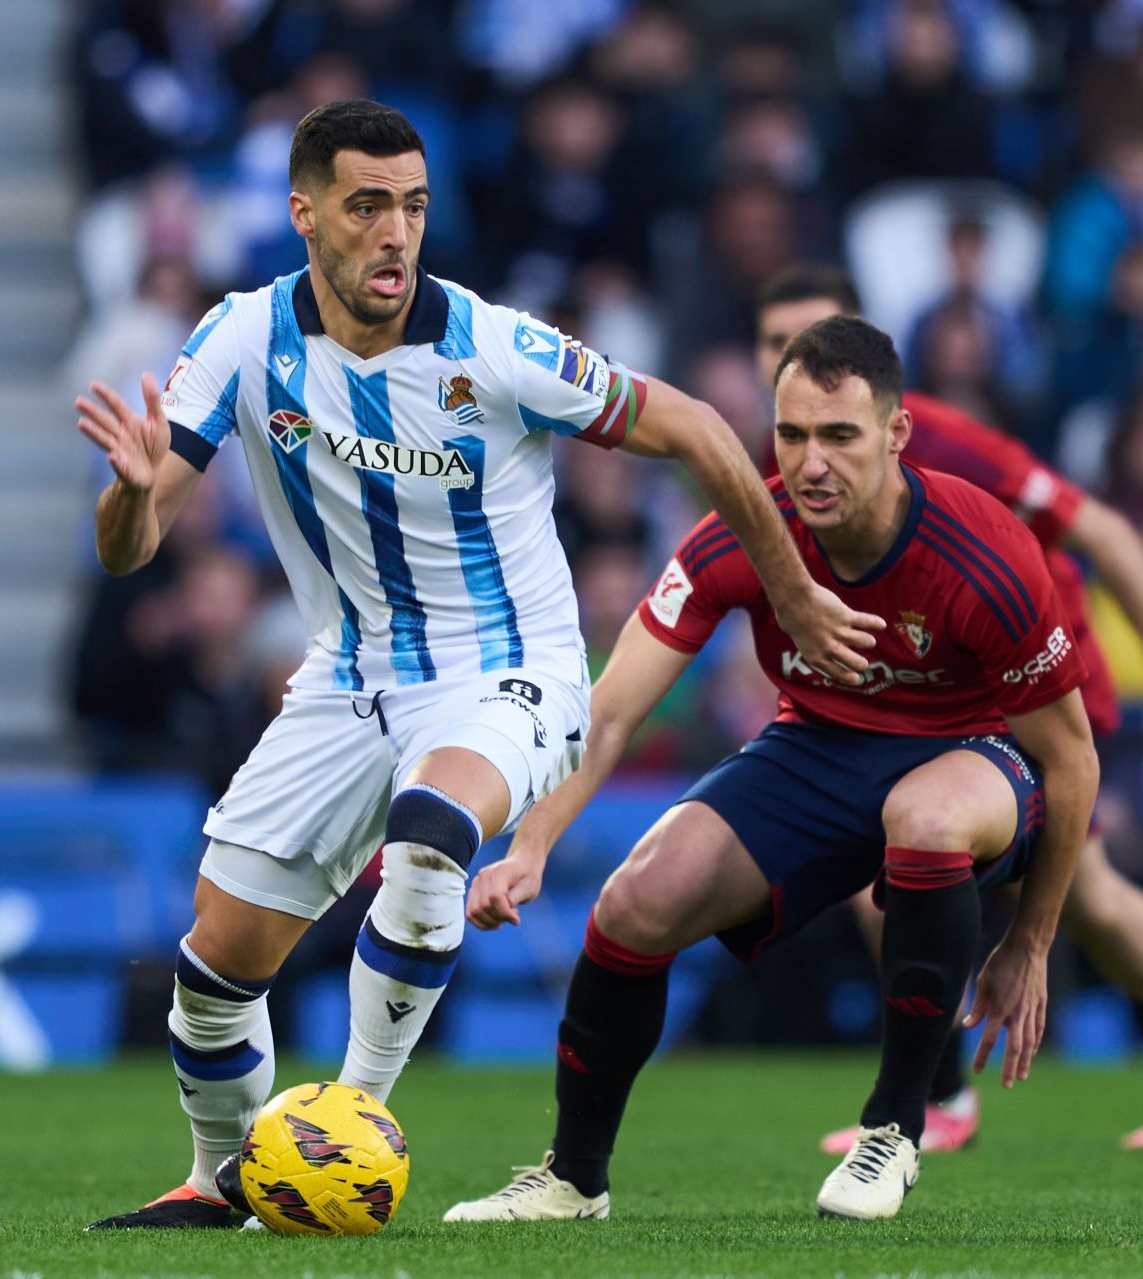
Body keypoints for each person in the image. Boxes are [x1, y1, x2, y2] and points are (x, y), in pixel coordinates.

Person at [76, 99, 880, 1231]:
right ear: (304, 215)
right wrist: (123, 490)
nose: (396, 234)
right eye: (366, 208)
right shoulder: (242, 339)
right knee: (212, 975)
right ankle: (220, 1177)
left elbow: (697, 426)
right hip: (349, 674)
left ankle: (343, 1132)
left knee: (428, 839)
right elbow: (133, 546)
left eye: (412, 206)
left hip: (510, 667)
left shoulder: (493, 347)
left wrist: (793, 589)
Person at [445, 315, 1101, 1223]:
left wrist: (1028, 941)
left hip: (972, 757)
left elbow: (1070, 758)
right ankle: (573, 1177)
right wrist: (534, 841)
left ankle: (894, 1129)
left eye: (840, 435)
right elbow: (611, 710)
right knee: (635, 903)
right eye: (792, 435)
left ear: (896, 435)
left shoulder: (981, 554)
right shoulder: (743, 535)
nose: (811, 462)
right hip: (816, 751)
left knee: (927, 817)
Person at [748, 267, 1143, 1152]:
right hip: (933, 693)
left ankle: (941, 1099)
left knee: (897, 864)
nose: (791, 357)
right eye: (773, 343)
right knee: (1083, 889)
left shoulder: (948, 442)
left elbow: (1101, 532)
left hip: (1040, 677)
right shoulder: (795, 457)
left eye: (811, 334)